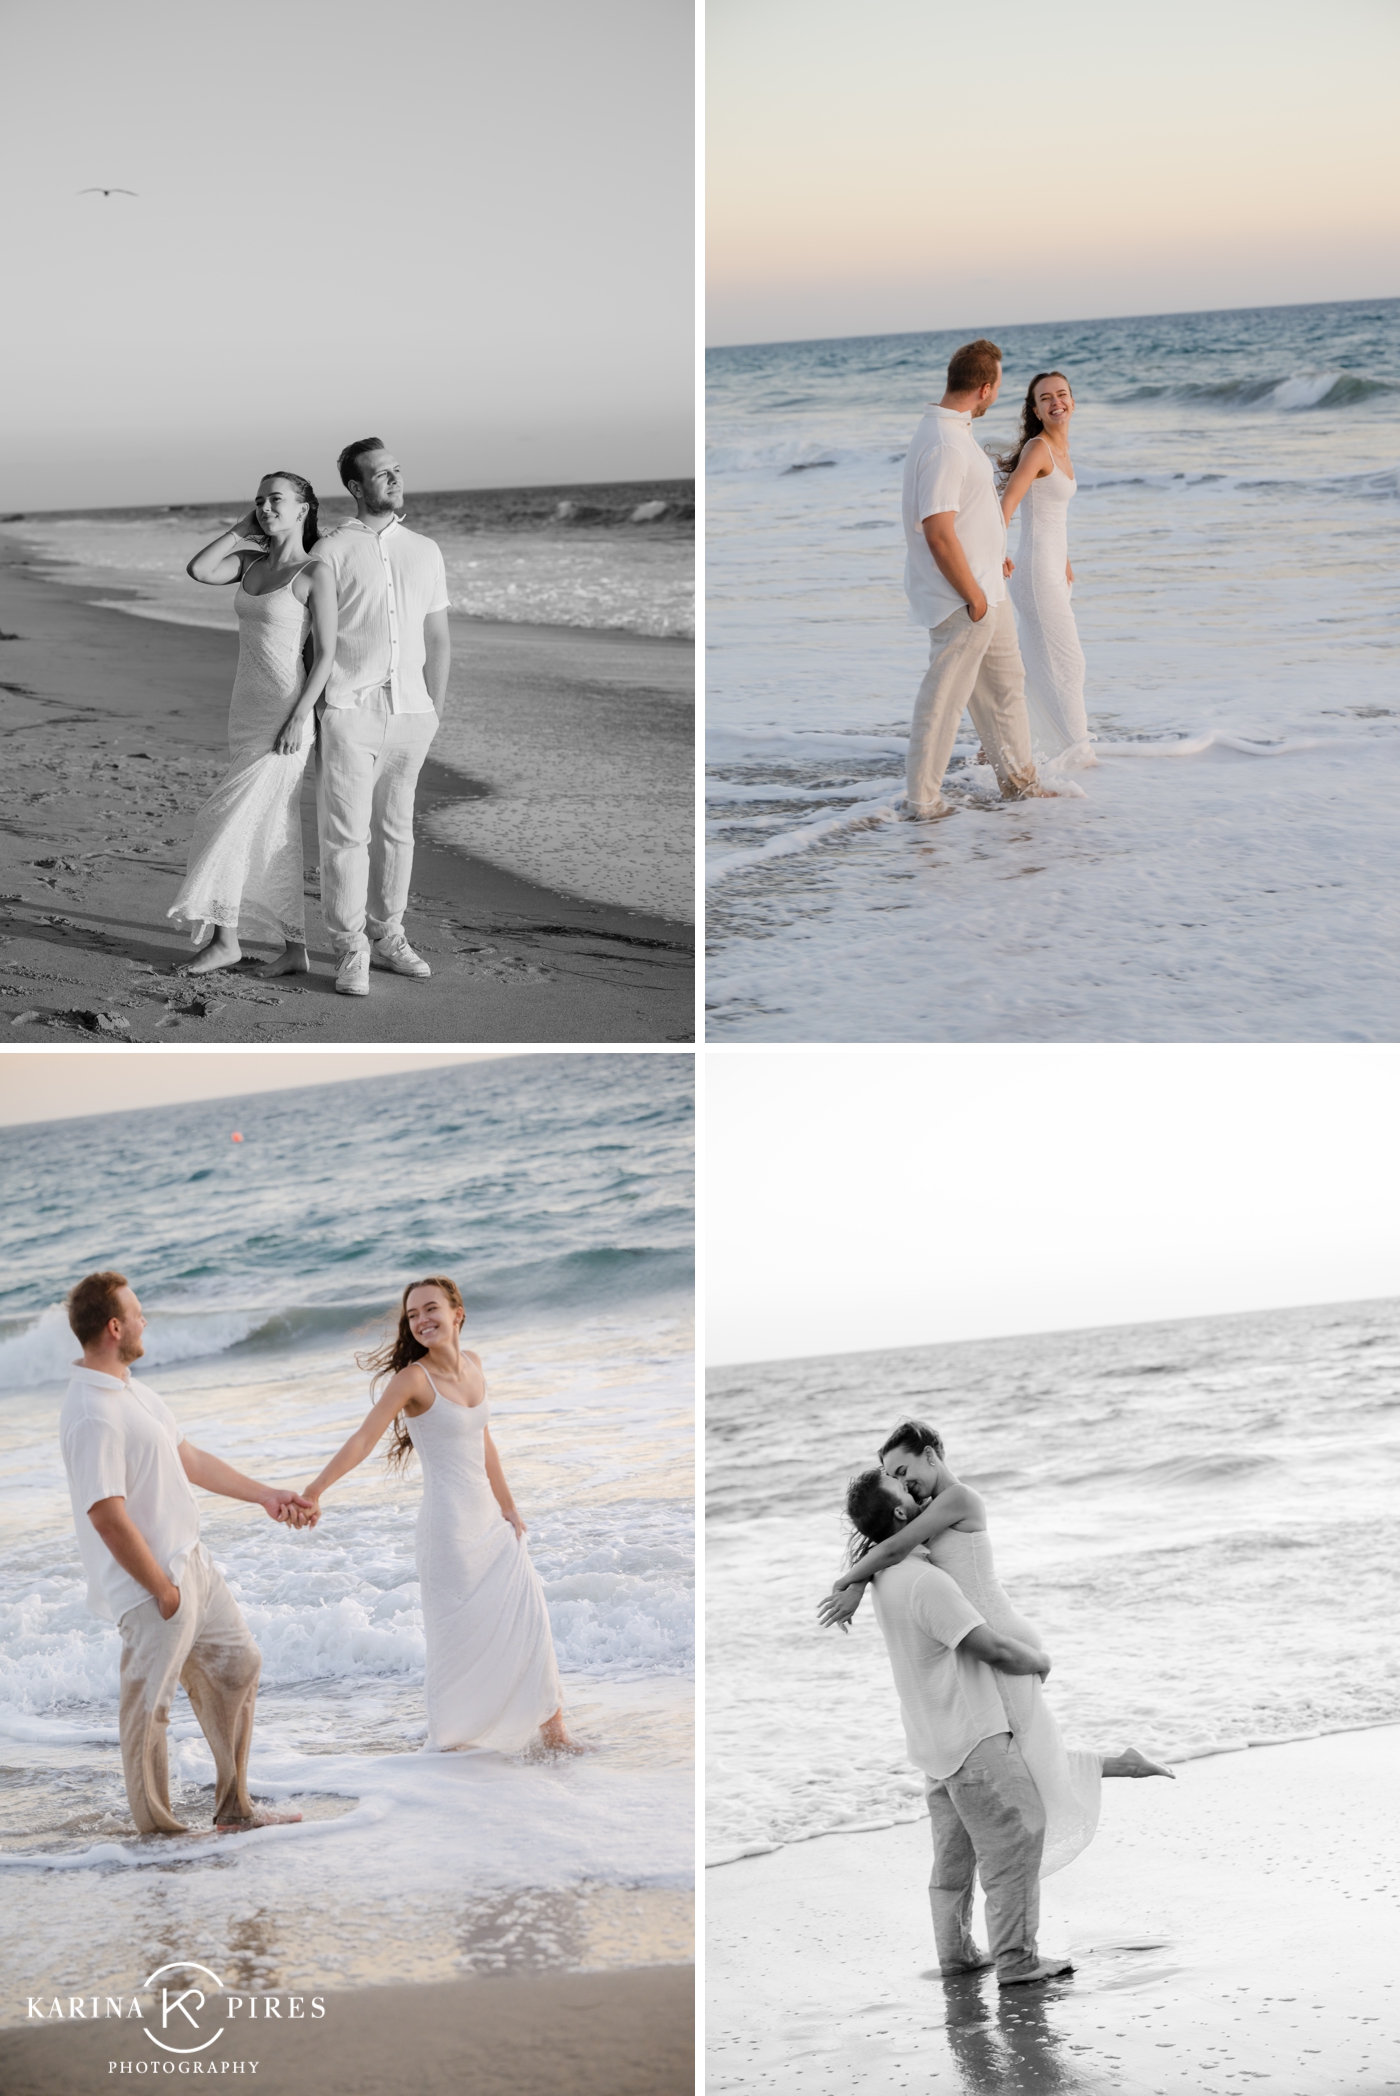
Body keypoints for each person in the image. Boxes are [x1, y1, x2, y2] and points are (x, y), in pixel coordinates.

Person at [57, 1272, 316, 1836]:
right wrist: (163, 1589)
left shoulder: (133, 1390)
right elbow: (105, 1514)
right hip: (151, 1585)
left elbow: (189, 1459)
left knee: (239, 1664)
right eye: (138, 1312)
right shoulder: (90, 1411)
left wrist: (266, 1495)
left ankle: (235, 1809)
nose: (146, 1320)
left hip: (191, 1563)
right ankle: (160, 1834)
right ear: (114, 1326)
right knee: (149, 1711)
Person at [300, 1277, 580, 1753]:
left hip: (489, 1522)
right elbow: (364, 1440)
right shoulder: (413, 1379)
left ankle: (555, 1736)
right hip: (447, 1532)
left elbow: (483, 1439)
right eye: (413, 1315)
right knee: (457, 1643)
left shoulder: (475, 1365)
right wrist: (315, 1489)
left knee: (529, 1616)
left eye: (431, 1309)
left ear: (458, 1313)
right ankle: (451, 1744)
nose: (422, 1320)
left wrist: (509, 1506)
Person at [170, 473, 337, 975]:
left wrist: (299, 717)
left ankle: (226, 941)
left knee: (225, 821)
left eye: (276, 500)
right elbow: (199, 569)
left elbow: (327, 654)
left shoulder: (315, 572)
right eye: (260, 501)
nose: (266, 507)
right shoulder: (249, 564)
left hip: (284, 717)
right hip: (243, 711)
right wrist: (240, 528)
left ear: (304, 508)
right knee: (267, 827)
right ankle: (294, 949)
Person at [310, 439, 451, 998]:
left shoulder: (426, 550)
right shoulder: (332, 550)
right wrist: (323, 707)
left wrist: (433, 709)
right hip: (349, 709)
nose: (393, 479)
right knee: (345, 836)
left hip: (413, 713)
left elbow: (437, 637)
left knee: (397, 832)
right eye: (380, 473)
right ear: (355, 486)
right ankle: (350, 948)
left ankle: (389, 935)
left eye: (396, 470)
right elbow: (314, 639)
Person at [900, 339, 1053, 820]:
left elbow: (966, 517)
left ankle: (1020, 786)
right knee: (943, 701)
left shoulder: (953, 432)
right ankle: (923, 804)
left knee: (1006, 692)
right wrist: (973, 596)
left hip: (987, 588)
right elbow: (938, 533)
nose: (996, 397)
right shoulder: (945, 443)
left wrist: (992, 561)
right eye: (998, 389)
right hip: (963, 598)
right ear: (984, 389)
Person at [999, 372, 1095, 771]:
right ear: (1035, 410)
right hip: (1036, 575)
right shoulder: (1038, 449)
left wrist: (1066, 559)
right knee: (1069, 664)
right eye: (1046, 398)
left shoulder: (1063, 447)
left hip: (1054, 571)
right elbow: (1007, 504)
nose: (1056, 402)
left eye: (1062, 394)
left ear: (1073, 401)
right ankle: (1079, 754)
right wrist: (994, 552)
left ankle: (1005, 750)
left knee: (1039, 669)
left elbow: (1051, 513)